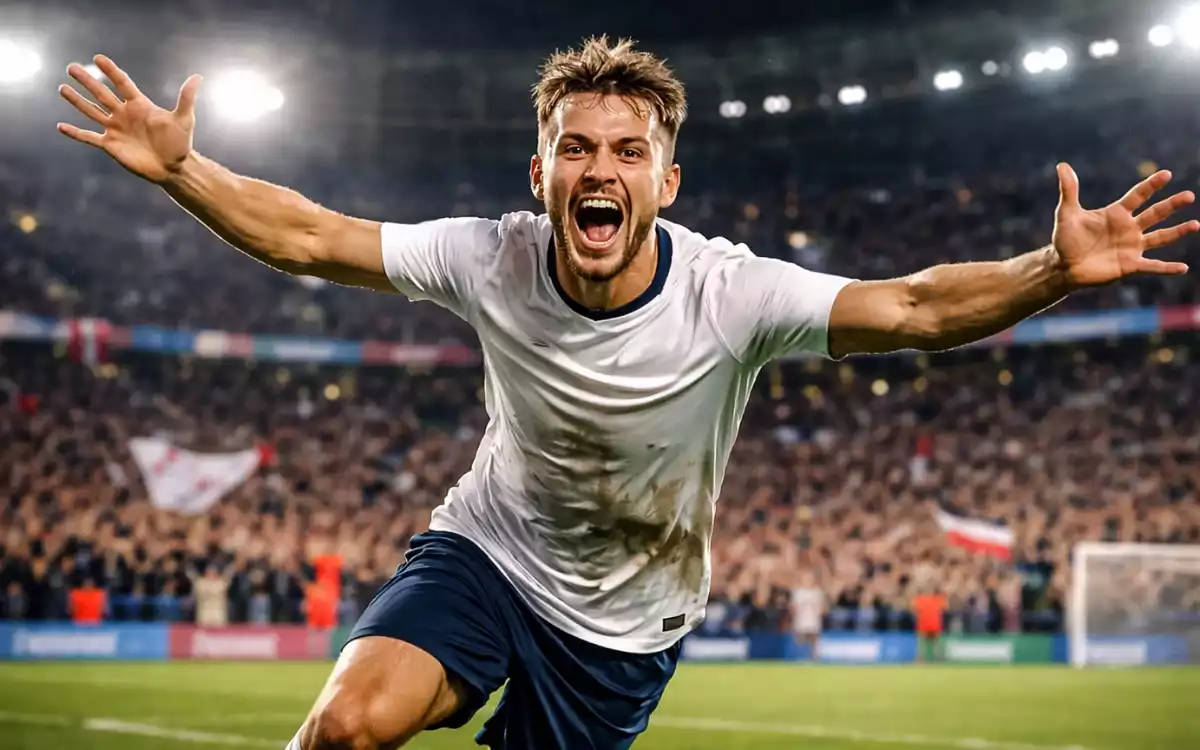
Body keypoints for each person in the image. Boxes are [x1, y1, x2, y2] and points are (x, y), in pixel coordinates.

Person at [56, 36, 1195, 750]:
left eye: (629, 149)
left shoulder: (731, 295)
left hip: (623, 625)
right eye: (577, 146)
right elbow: (311, 236)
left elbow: (912, 308)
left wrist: (1051, 272)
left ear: (666, 177)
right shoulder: (486, 256)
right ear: (542, 173)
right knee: (343, 728)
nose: (601, 167)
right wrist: (183, 170)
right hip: (487, 555)